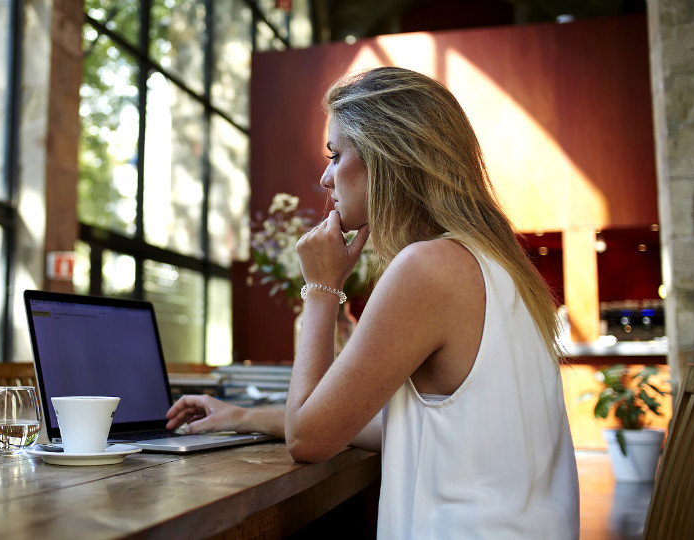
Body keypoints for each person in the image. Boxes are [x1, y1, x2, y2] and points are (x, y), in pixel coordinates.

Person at [166, 66, 579, 538]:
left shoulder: (428, 267)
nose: (325, 177)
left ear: (386, 156)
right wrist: (242, 416)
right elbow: (395, 426)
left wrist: (321, 289)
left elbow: (309, 439)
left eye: (335, 154)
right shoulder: (499, 265)